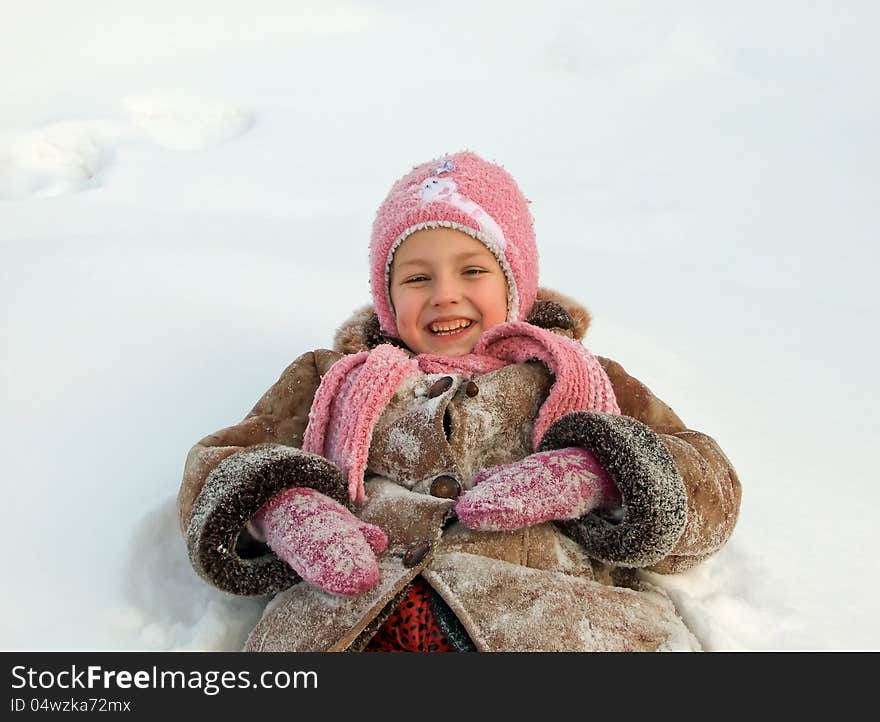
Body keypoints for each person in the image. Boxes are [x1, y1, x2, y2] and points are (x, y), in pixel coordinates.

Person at [178, 151, 742, 652]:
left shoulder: (573, 376)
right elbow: (219, 468)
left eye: (472, 270)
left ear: (513, 283)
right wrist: (277, 509)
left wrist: (604, 473)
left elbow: (711, 490)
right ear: (387, 297)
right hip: (353, 622)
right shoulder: (330, 381)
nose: (444, 292)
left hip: (549, 622)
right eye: (417, 277)